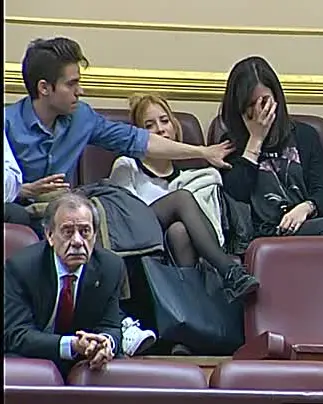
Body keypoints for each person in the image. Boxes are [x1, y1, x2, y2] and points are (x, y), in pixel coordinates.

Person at [4, 37, 234, 227]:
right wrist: (22, 189)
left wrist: (202, 152)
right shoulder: (8, 123)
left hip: (61, 214)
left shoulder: (81, 118)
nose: (80, 91)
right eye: (71, 84)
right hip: (18, 212)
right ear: (44, 88)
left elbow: (139, 140)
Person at [216, 56, 323, 254]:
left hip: (307, 222)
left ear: (277, 99)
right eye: (250, 105)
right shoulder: (230, 144)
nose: (258, 111)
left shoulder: (305, 135)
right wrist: (256, 139)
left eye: (264, 102)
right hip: (267, 231)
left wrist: (305, 208)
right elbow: (237, 194)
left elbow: (321, 193)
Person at [109, 93, 258, 304]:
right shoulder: (127, 166)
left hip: (173, 242)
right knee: (181, 199)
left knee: (180, 231)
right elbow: (125, 216)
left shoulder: (187, 175)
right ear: (139, 135)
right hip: (139, 235)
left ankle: (192, 310)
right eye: (150, 125)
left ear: (174, 125)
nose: (161, 129)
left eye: (164, 121)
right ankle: (230, 271)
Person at [4, 192, 123, 378]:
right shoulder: (21, 268)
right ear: (50, 235)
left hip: (84, 357)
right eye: (68, 232)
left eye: (85, 231)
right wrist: (72, 345)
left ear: (95, 235)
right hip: (33, 355)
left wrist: (105, 343)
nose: (77, 241)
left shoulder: (110, 267)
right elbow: (16, 334)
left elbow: (112, 325)